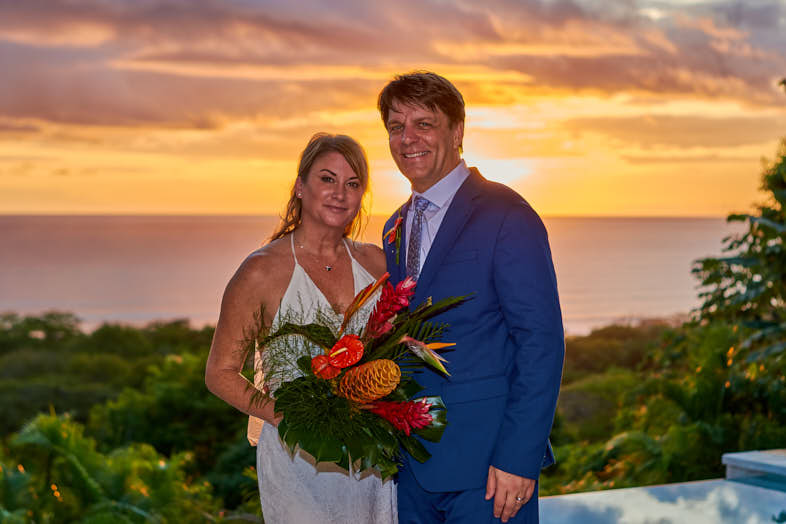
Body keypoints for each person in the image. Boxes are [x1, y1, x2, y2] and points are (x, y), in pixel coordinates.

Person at [378, 72, 564, 523]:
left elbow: (540, 342)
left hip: (489, 472)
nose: (407, 138)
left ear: (457, 131)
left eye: (424, 124)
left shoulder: (507, 214)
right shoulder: (394, 226)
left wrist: (519, 459)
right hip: (411, 469)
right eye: (396, 127)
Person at [205, 133, 396, 523]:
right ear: (299, 186)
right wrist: (284, 418)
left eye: (352, 184)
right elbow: (219, 372)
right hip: (297, 460)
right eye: (327, 179)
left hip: (370, 458)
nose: (340, 193)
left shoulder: (377, 264)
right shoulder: (260, 271)